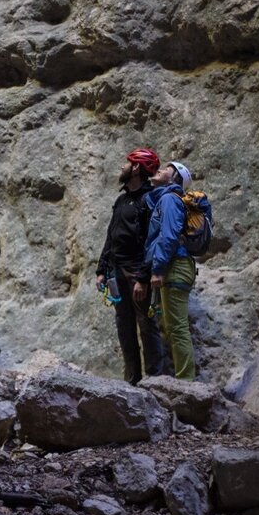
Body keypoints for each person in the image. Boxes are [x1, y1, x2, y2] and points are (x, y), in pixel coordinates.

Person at [96, 148, 164, 385]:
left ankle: (157, 382)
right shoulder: (121, 200)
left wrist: (144, 277)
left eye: (127, 163)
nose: (122, 167)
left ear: (136, 168)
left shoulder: (150, 200)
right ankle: (131, 381)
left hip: (136, 273)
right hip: (116, 272)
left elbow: (152, 240)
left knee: (147, 326)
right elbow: (111, 235)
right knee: (124, 326)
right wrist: (101, 270)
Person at [145, 161, 197, 380]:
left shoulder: (169, 199)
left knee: (177, 328)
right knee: (171, 325)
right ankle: (183, 379)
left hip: (174, 266)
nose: (161, 169)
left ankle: (186, 383)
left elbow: (168, 236)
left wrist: (157, 269)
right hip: (176, 266)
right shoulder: (166, 199)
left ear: (175, 178)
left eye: (167, 168)